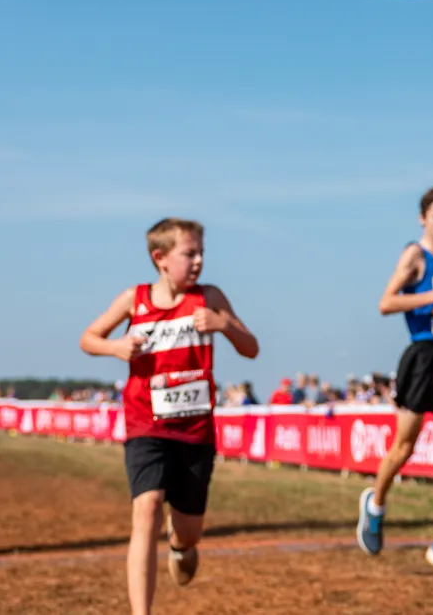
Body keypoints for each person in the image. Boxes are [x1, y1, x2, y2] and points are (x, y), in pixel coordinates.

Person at [80, 218, 260, 615]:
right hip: (147, 424)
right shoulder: (134, 299)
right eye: (189, 253)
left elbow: (252, 348)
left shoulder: (209, 297)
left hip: (195, 432)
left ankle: (181, 547)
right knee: (146, 507)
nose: (198, 261)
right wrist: (118, 347)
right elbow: (88, 338)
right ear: (159, 258)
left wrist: (224, 325)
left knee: (188, 530)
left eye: (201, 253)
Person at [356, 187, 433, 581]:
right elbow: (386, 303)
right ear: (423, 218)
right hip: (422, 357)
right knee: (404, 446)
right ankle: (375, 503)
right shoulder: (414, 254)